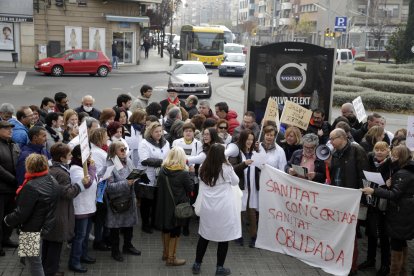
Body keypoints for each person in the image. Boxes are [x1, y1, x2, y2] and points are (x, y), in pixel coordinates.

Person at [361, 145, 414, 276]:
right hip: (402, 210)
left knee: (396, 243)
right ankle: (402, 271)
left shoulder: (402, 173)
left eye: (395, 156)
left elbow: (395, 194)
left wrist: (374, 190)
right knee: (401, 242)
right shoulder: (403, 170)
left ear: (401, 157)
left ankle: (394, 272)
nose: (392, 158)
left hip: (400, 212)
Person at [5, 153, 60, 276]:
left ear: (29, 167)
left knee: (34, 261)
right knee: (34, 259)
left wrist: (6, 220)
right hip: (44, 225)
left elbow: (21, 213)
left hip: (30, 229)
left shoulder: (31, 186)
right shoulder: (52, 180)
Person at [192, 143, 241, 275]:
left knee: (204, 236)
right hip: (224, 206)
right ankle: (219, 268)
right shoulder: (226, 167)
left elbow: (200, 180)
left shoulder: (203, 166)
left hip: (208, 205)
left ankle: (197, 264)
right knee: (224, 238)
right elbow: (236, 182)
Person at [329, 128, 369, 275]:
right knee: (339, 232)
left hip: (352, 201)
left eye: (333, 139)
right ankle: (339, 261)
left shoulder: (356, 150)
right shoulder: (334, 153)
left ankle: (352, 267)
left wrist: (362, 199)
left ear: (342, 138)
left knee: (350, 235)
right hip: (339, 199)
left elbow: (364, 175)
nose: (331, 142)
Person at [42, 143, 81, 276]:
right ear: (62, 158)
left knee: (48, 242)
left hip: (47, 212)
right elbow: (67, 193)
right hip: (58, 212)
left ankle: (44, 268)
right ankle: (50, 271)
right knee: (55, 243)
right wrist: (79, 186)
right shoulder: (61, 174)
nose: (71, 157)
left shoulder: (49, 168)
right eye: (69, 155)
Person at [358, 141, 393, 276]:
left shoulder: (391, 165)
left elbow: (392, 185)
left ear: (387, 151)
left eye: (382, 150)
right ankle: (370, 260)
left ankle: (385, 265)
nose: (379, 152)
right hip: (371, 202)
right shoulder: (370, 162)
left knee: (384, 237)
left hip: (384, 205)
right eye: (377, 149)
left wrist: (387, 184)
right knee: (371, 234)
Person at [155, 147, 194, 265]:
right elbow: (191, 188)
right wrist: (192, 174)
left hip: (164, 205)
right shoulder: (183, 173)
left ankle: (165, 253)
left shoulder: (162, 170)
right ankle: (171, 259)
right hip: (178, 207)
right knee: (175, 232)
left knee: (166, 229)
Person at [105, 141, 141, 262]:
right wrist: (126, 183)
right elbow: (109, 187)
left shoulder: (128, 160)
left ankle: (128, 246)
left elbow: (134, 172)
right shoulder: (109, 165)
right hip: (116, 202)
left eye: (125, 149)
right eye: (121, 150)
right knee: (115, 228)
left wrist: (138, 176)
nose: (124, 151)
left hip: (129, 199)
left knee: (129, 225)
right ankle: (115, 251)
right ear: (114, 152)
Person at [227, 129, 260, 248]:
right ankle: (238, 235)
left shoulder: (256, 152)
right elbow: (232, 169)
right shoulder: (237, 152)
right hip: (240, 187)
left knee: (251, 212)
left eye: (252, 139)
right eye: (248, 139)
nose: (250, 142)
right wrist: (244, 164)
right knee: (239, 211)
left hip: (252, 187)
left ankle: (253, 237)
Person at [68, 145, 98, 273]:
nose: (90, 157)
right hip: (81, 208)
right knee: (79, 236)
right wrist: (92, 168)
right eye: (88, 155)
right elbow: (86, 183)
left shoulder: (82, 166)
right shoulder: (75, 169)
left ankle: (82, 256)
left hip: (88, 206)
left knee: (84, 235)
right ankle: (74, 262)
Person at [138, 122, 170, 233]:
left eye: (160, 131)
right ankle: (145, 224)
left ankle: (154, 223)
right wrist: (163, 162)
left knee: (157, 201)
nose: (159, 133)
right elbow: (144, 159)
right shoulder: (144, 143)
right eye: (156, 131)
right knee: (146, 202)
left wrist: (166, 163)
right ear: (150, 132)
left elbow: (169, 157)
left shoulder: (166, 143)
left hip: (160, 176)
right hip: (147, 175)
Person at [0, 121, 20, 256]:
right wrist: (14, 179)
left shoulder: (13, 144)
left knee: (8, 217)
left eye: (11, 128)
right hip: (3, 188)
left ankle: (5, 239)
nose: (10, 130)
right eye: (6, 128)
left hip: (13, 188)